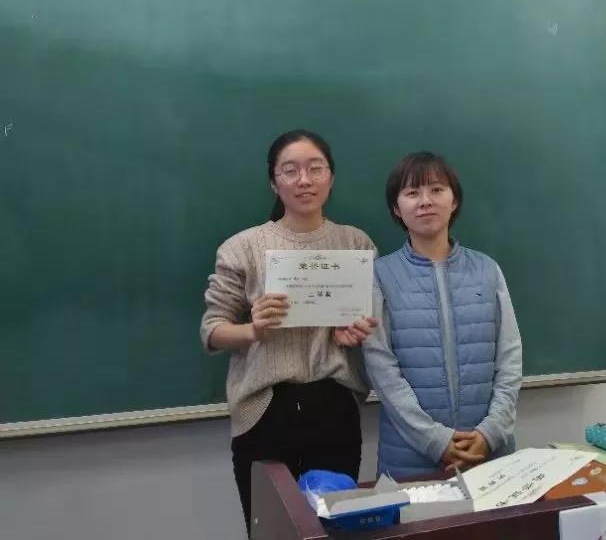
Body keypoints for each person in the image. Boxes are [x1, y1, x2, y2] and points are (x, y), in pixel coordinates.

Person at [200, 129, 377, 536]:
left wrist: (359, 331)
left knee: (335, 528)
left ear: (331, 177)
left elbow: (373, 322)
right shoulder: (242, 248)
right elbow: (212, 331)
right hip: (264, 409)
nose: (304, 180)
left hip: (334, 405)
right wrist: (253, 330)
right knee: (272, 531)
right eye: (290, 170)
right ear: (273, 182)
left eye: (315, 168)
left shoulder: (356, 243)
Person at [363, 151, 523, 480]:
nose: (425, 201)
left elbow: (510, 356)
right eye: (412, 192)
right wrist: (435, 440)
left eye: (436, 190)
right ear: (396, 208)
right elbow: (381, 369)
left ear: (454, 201)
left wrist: (491, 433)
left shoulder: (487, 269)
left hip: (489, 454)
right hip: (410, 456)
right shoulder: (379, 276)